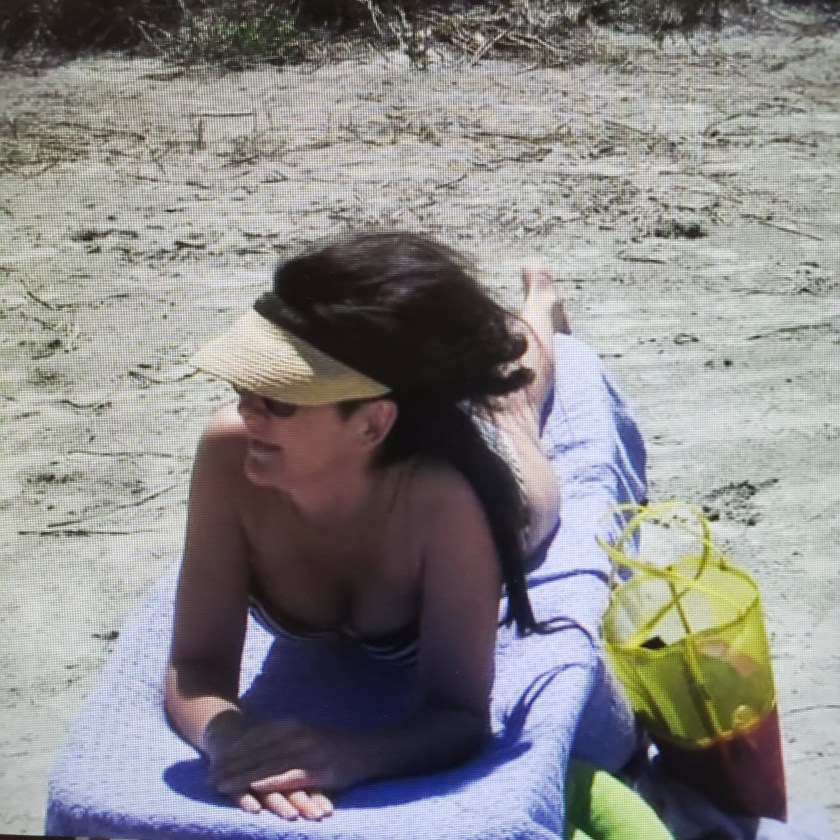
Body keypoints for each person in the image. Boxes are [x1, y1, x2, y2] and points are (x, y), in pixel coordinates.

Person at [165, 230, 571, 822]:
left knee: (512, 403)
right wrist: (231, 740)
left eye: (280, 400)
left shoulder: (449, 506)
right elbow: (197, 663)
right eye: (243, 386)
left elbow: (459, 714)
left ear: (371, 423)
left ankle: (539, 304)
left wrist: (351, 755)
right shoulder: (231, 451)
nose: (246, 409)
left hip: (495, 494)